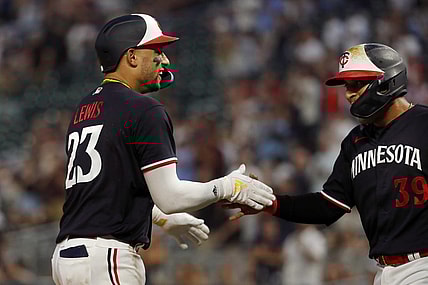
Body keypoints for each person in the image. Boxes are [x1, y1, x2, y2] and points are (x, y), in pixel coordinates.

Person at [51, 14, 275, 285]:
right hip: (107, 259)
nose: (164, 60)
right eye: (156, 51)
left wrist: (160, 219)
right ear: (132, 57)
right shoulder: (143, 109)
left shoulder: (83, 110)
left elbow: (105, 191)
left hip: (68, 258)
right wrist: (228, 186)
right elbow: (170, 197)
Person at [226, 43, 428, 285]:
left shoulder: (423, 125)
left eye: (356, 84)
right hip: (384, 272)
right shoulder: (355, 141)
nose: (348, 94)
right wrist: (272, 203)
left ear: (386, 81)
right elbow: (327, 206)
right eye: (346, 86)